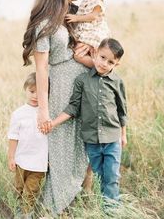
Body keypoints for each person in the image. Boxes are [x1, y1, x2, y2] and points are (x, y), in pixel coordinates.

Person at [22, 0, 90, 216]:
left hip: (83, 83)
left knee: (83, 142)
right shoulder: (44, 24)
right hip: (61, 86)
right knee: (62, 145)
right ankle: (54, 205)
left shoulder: (70, 16)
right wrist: (43, 109)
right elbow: (41, 70)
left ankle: (80, 199)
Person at [48, 38, 128, 213]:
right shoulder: (82, 80)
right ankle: (102, 206)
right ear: (95, 53)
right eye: (102, 57)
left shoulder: (117, 82)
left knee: (112, 176)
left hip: (112, 137)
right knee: (99, 175)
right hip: (91, 140)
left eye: (111, 62)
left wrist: (123, 134)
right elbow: (73, 107)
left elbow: (122, 110)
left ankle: (111, 211)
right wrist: (53, 122)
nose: (105, 64)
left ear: (117, 64)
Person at [7, 72, 48, 219]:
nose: (35, 96)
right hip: (21, 161)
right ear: (26, 90)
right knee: (18, 189)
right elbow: (13, 137)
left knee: (31, 191)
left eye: (39, 93)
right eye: (31, 91)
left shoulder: (47, 113)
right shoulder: (18, 113)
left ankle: (26, 214)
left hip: (39, 163)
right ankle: (17, 211)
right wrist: (11, 157)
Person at [65, 0, 111, 66]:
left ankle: (100, 66)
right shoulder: (86, 0)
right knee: (79, 53)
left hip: (94, 33)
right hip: (86, 33)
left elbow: (93, 16)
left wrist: (76, 18)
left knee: (78, 55)